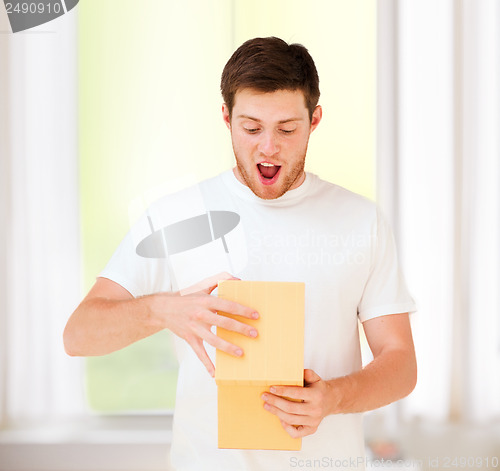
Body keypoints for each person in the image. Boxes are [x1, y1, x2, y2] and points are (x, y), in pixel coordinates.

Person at [64, 37, 417, 471]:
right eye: (251, 128)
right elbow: (78, 335)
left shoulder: (361, 221)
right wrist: (162, 311)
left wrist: (333, 397)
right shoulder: (178, 215)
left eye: (287, 129)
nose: (269, 147)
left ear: (315, 120)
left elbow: (400, 363)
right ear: (227, 119)